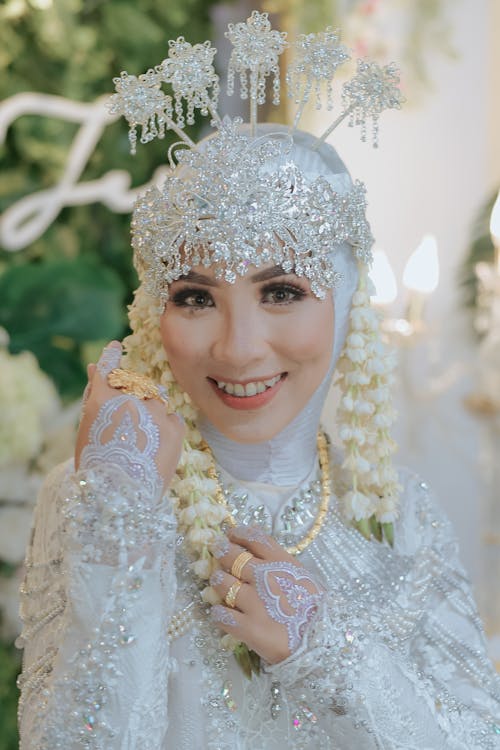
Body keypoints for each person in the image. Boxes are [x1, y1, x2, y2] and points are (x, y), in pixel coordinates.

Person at [17, 11, 500, 749]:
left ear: (344, 307)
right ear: (155, 312)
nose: (240, 350)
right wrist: (120, 517)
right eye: (196, 297)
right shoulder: (89, 498)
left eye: (281, 292)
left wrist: (327, 650)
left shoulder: (402, 516)